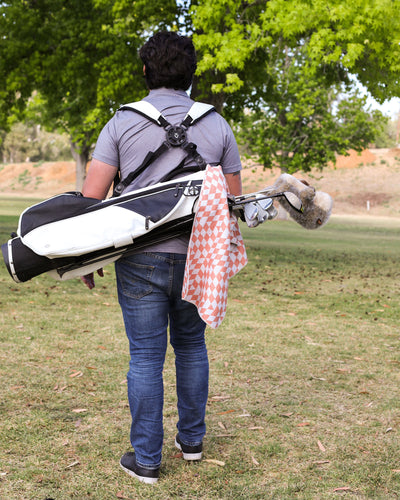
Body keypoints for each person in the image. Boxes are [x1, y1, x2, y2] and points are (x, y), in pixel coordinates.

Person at [81, 31, 242, 484]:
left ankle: (147, 461)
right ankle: (191, 442)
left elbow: (91, 199)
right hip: (199, 258)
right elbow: (232, 204)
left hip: (140, 259)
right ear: (191, 75)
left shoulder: (120, 123)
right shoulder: (217, 125)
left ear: (146, 71)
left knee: (146, 357)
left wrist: (86, 260)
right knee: (192, 347)